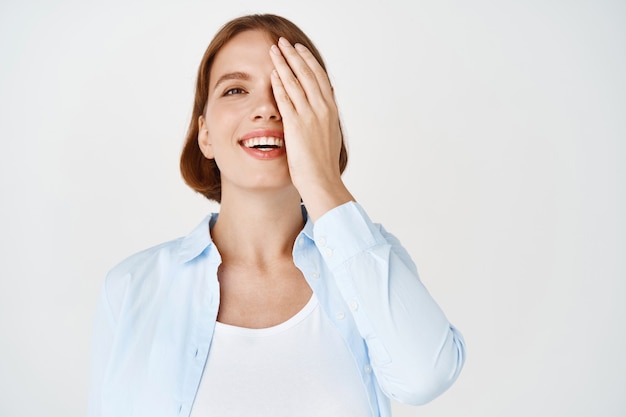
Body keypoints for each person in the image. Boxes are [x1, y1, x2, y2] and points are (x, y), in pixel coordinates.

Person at [87, 13, 466, 417]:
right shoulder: (131, 287)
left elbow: (426, 377)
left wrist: (323, 179)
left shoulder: (372, 257)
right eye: (235, 90)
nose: (266, 108)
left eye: (290, 90)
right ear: (205, 135)